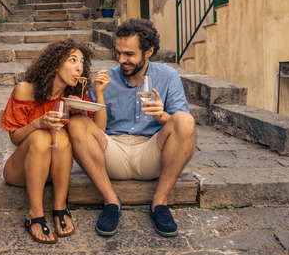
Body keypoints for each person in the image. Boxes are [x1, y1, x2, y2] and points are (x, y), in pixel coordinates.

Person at [67, 19, 197, 238]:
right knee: (77, 122)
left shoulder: (168, 77)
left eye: (129, 54)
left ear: (149, 51)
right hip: (112, 152)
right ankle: (111, 202)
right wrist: (98, 94)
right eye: (118, 53)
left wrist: (162, 115)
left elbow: (181, 129)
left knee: (185, 120)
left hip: (152, 152)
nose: (121, 60)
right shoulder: (106, 79)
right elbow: (97, 130)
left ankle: (159, 203)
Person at [0, 39, 108, 244]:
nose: (79, 67)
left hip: (55, 168)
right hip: (20, 168)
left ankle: (60, 207)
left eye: (82, 62)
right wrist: (38, 123)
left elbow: (99, 129)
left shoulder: (74, 96)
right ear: (57, 64)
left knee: (62, 135)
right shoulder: (25, 90)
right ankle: (35, 212)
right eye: (73, 60)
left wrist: (99, 94)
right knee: (41, 136)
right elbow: (14, 138)